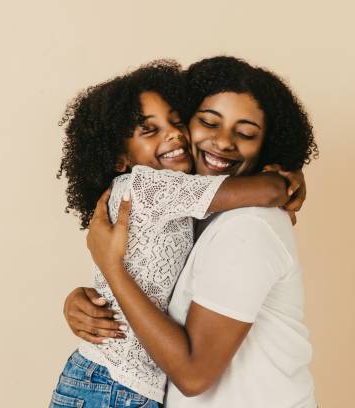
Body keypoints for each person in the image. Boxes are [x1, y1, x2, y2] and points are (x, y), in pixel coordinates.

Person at [64, 56, 319, 407]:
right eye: (208, 122)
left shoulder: (248, 226)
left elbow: (192, 374)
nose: (223, 142)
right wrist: (87, 298)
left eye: (245, 133)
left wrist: (112, 270)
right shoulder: (183, 207)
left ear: (267, 145)